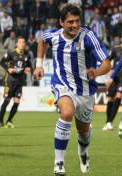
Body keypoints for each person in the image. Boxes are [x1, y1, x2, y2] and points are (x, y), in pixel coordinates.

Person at [33, 3, 111, 175]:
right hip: (62, 84)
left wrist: (96, 72)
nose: (75, 25)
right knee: (66, 113)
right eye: (70, 22)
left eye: (77, 21)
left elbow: (107, 63)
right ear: (61, 22)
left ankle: (83, 152)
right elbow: (42, 40)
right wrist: (39, 65)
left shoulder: (88, 36)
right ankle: (59, 163)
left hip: (85, 90)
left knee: (83, 131)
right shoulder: (52, 35)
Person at [0, 36, 31, 128]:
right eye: (20, 42)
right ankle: (0, 120)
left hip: (20, 81)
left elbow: (28, 65)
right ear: (17, 44)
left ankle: (9, 121)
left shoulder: (27, 54)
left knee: (17, 101)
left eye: (23, 42)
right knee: (7, 101)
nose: (21, 44)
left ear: (25, 44)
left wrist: (28, 68)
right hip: (10, 81)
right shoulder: (11, 53)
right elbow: (1, 62)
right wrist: (8, 69)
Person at [103, 31, 122, 131]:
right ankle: (107, 121)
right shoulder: (116, 49)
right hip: (115, 77)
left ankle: (110, 122)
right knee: (110, 99)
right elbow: (108, 60)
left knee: (119, 96)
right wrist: (109, 70)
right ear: (121, 39)